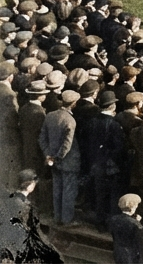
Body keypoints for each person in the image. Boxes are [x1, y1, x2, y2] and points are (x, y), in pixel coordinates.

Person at [40, 89, 80, 226]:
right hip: (67, 162)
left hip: (52, 160)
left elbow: (42, 138)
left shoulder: (50, 115)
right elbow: (67, 145)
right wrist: (57, 157)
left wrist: (48, 155)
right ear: (73, 103)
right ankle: (67, 219)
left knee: (57, 189)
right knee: (68, 191)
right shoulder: (70, 120)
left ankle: (57, 217)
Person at [110, 193, 143, 264]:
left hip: (117, 250)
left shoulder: (113, 219)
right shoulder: (135, 224)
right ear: (132, 207)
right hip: (131, 254)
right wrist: (137, 222)